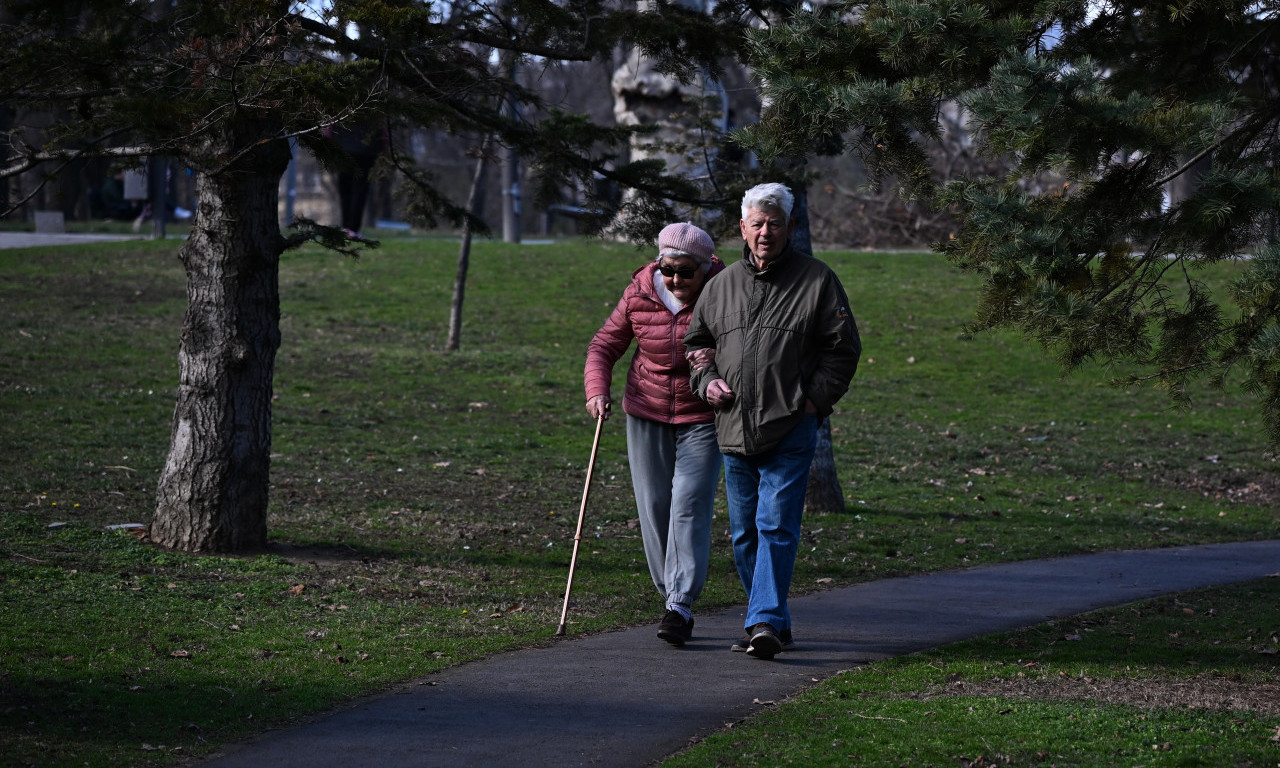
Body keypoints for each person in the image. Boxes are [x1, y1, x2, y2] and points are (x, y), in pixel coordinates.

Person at [684, 182, 861, 660]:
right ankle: (774, 620)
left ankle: (761, 620)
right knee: (744, 534)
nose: (765, 233)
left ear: (789, 228)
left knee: (775, 525)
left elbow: (842, 350)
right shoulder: (719, 287)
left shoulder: (817, 280)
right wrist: (707, 383)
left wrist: (813, 402)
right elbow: (696, 346)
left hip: (791, 426)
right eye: (757, 224)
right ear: (742, 227)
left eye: (775, 224)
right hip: (733, 426)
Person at [584, 222, 726, 645]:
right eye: (669, 270)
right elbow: (603, 345)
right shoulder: (640, 292)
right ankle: (671, 596)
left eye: (686, 271)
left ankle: (680, 604)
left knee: (689, 503)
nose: (677, 280)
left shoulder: (725, 292)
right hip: (646, 411)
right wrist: (597, 390)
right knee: (654, 505)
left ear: (705, 267)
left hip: (703, 415)